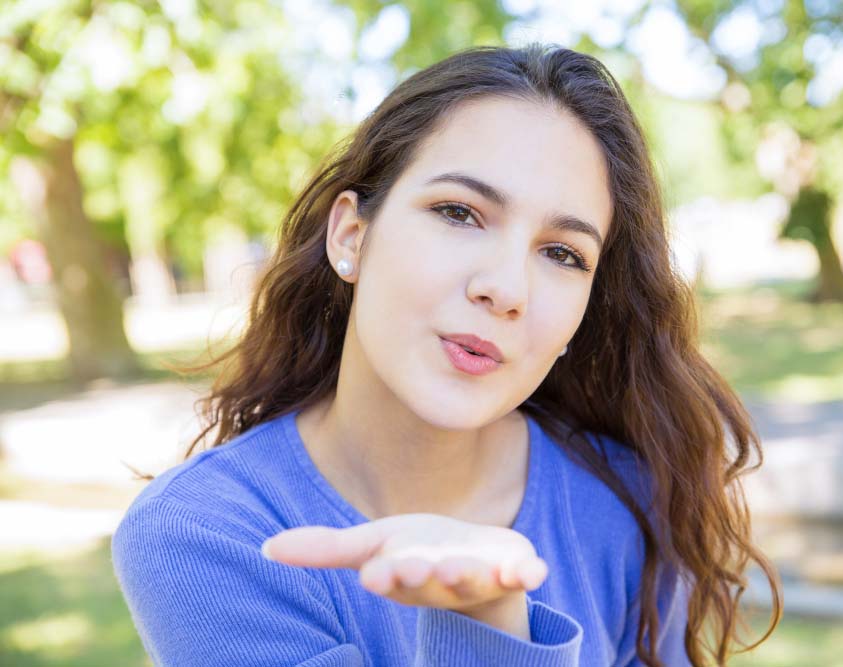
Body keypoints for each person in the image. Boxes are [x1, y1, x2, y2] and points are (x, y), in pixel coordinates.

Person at [111, 43, 782, 666]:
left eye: (562, 253)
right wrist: (487, 624)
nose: (505, 288)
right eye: (460, 212)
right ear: (350, 234)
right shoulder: (203, 534)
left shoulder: (628, 502)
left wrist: (493, 610)